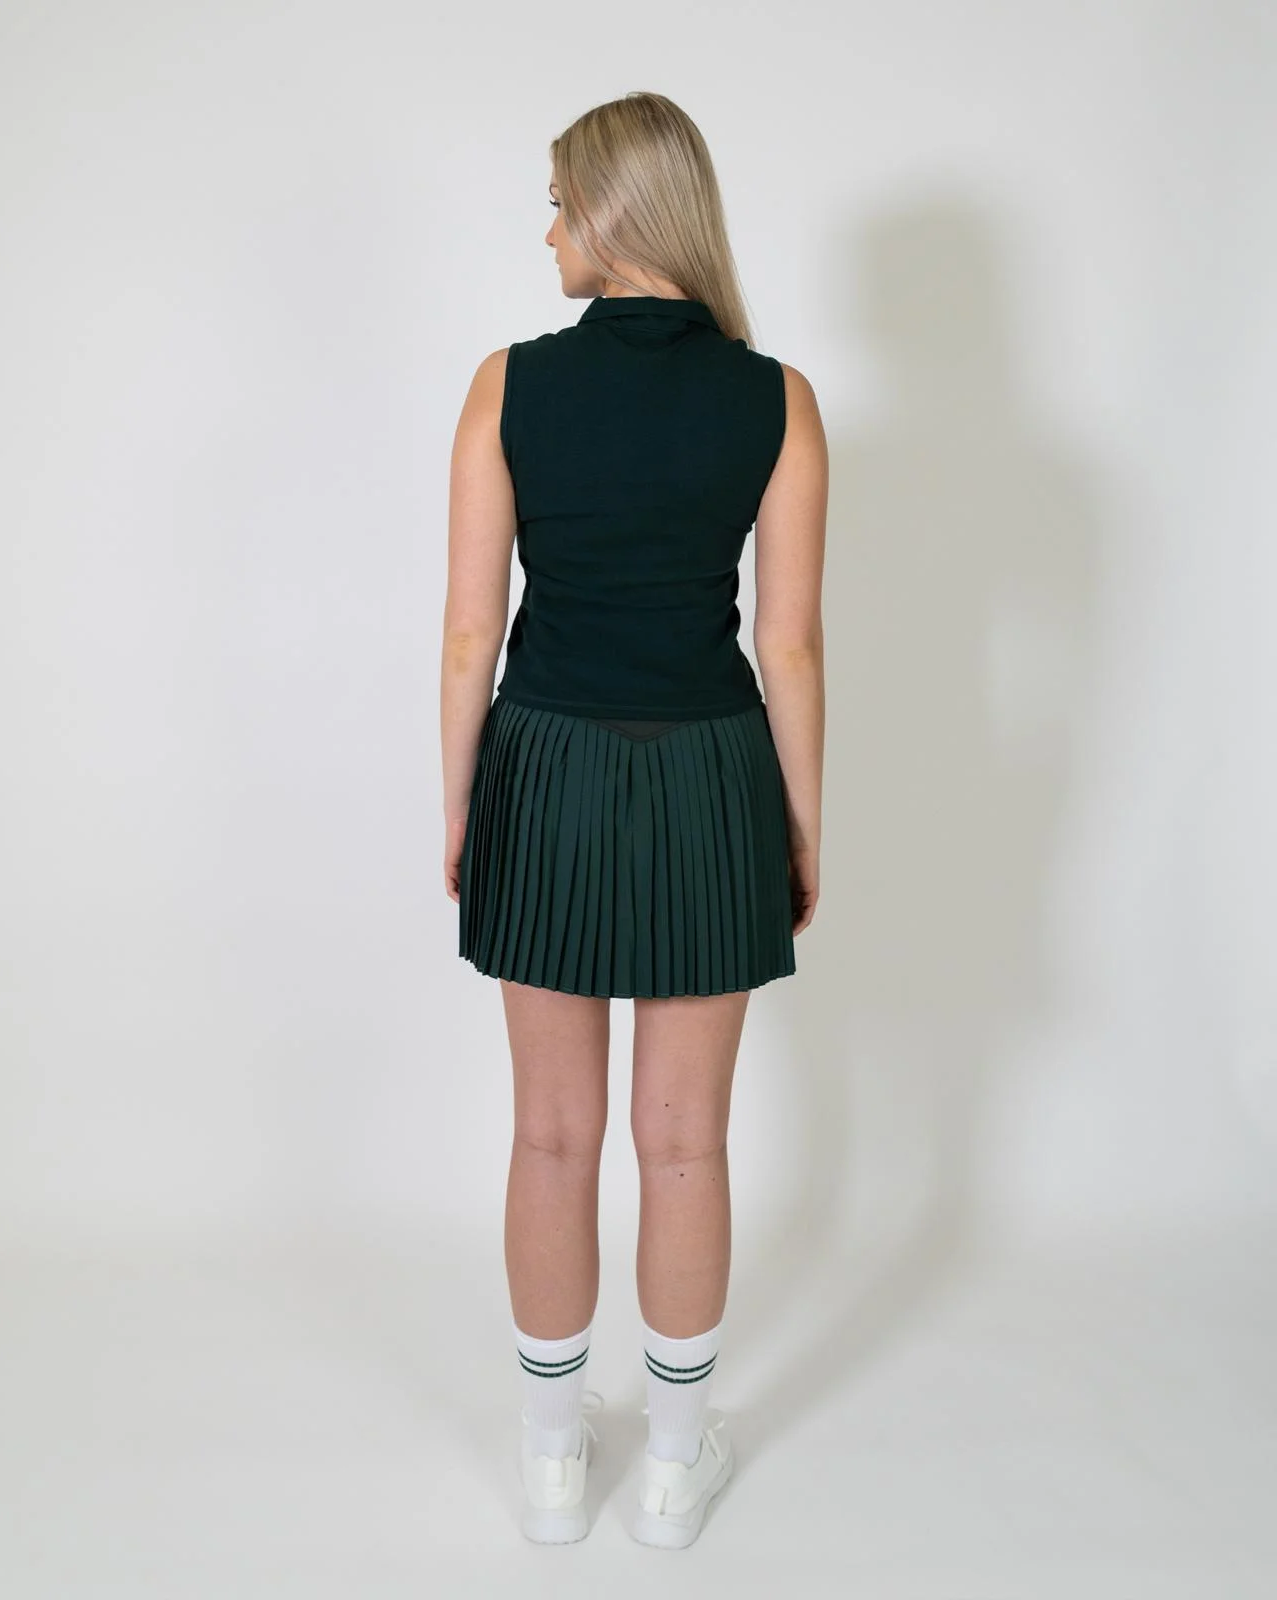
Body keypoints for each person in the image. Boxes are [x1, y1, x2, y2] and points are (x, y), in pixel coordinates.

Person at [440, 91, 826, 1548]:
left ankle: (554, 1461)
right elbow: (789, 645)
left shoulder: (507, 387)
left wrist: (462, 804)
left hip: (543, 768)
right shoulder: (778, 400)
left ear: (615, 213)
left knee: (551, 1138)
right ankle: (670, 1466)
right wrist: (800, 826)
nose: (547, 231)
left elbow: (469, 635)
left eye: (559, 203)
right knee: (686, 1144)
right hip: (714, 778)